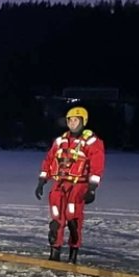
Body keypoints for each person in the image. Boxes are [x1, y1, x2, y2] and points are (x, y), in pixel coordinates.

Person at [35, 106, 106, 263]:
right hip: (59, 185)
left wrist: (92, 188)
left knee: (73, 218)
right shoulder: (60, 141)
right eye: (70, 120)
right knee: (56, 219)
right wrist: (42, 180)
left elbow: (97, 166)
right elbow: (49, 160)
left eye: (76, 120)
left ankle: (73, 254)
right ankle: (55, 252)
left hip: (78, 186)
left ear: (83, 121)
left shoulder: (92, 142)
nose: (72, 123)